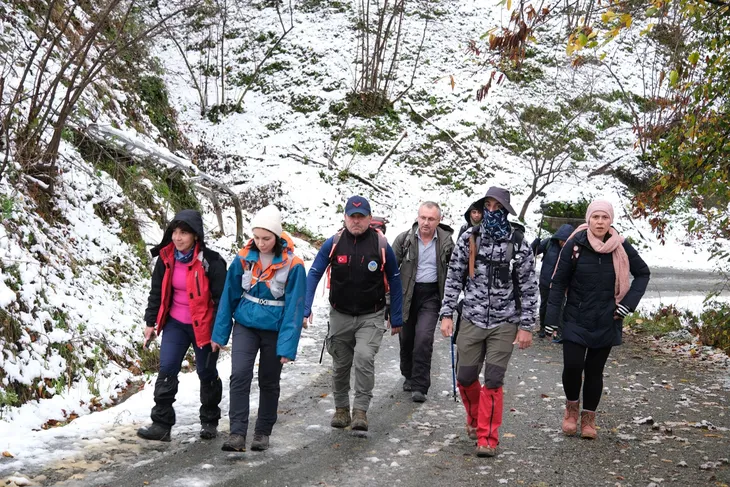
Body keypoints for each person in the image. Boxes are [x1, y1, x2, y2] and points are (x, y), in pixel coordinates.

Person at [439, 186, 538, 458]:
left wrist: (527, 326)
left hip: (505, 322)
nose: (492, 212)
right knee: (466, 377)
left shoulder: (518, 244)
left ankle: (487, 438)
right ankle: (474, 417)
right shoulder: (468, 238)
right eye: (488, 207)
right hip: (471, 317)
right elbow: (454, 277)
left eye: (498, 207)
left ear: (506, 211)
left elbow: (529, 287)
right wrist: (447, 313)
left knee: (493, 380)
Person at [545, 199, 649, 440]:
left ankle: (588, 418)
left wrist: (627, 305)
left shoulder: (620, 246)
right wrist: (551, 318)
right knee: (572, 366)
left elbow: (643, 274)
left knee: (594, 371)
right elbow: (558, 282)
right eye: (595, 217)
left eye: (604, 218)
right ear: (588, 219)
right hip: (575, 316)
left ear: (610, 220)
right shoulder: (574, 244)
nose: (600, 222)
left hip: (606, 318)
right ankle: (571, 409)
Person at [211, 205, 306, 452]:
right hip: (246, 324)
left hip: (274, 328)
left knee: (269, 380)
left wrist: (287, 347)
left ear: (277, 237)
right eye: (256, 237)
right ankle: (237, 434)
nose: (261, 243)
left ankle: (263, 431)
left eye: (266, 238)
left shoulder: (293, 265)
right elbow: (228, 297)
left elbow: (294, 309)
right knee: (239, 375)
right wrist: (219, 335)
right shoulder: (243, 258)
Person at [304, 195, 404, 432]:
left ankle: (360, 410)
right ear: (345, 217)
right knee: (340, 364)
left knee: (364, 357)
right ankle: (341, 409)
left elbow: (395, 280)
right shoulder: (334, 243)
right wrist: (305, 307)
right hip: (340, 314)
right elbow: (314, 273)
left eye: (361, 217)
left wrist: (396, 316)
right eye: (352, 216)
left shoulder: (380, 245)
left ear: (369, 218)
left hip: (371, 314)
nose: (356, 221)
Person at [138, 209, 227, 442]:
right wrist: (150, 322)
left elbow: (221, 301)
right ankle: (161, 424)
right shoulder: (166, 258)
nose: (178, 238)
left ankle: (210, 421)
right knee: (167, 369)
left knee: (206, 373)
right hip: (175, 324)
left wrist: (219, 332)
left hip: (204, 326)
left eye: (184, 233)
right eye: (174, 232)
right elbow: (156, 292)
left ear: (196, 235)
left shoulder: (212, 262)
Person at [393, 202, 454, 402]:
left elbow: (456, 272)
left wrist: (451, 303)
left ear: (439, 221)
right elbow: (390, 271)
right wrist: (388, 301)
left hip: (432, 295)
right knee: (407, 338)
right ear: (417, 217)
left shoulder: (447, 244)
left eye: (431, 219)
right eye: (423, 218)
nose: (426, 223)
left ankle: (420, 385)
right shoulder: (405, 240)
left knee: (423, 339)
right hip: (407, 294)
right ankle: (408, 374)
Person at [531, 224, 574, 339]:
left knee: (559, 305)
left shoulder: (572, 248)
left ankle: (558, 330)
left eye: (566, 240)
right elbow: (532, 252)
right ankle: (543, 328)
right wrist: (535, 244)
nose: (563, 243)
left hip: (561, 283)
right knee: (545, 304)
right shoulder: (549, 243)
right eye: (562, 240)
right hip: (545, 280)